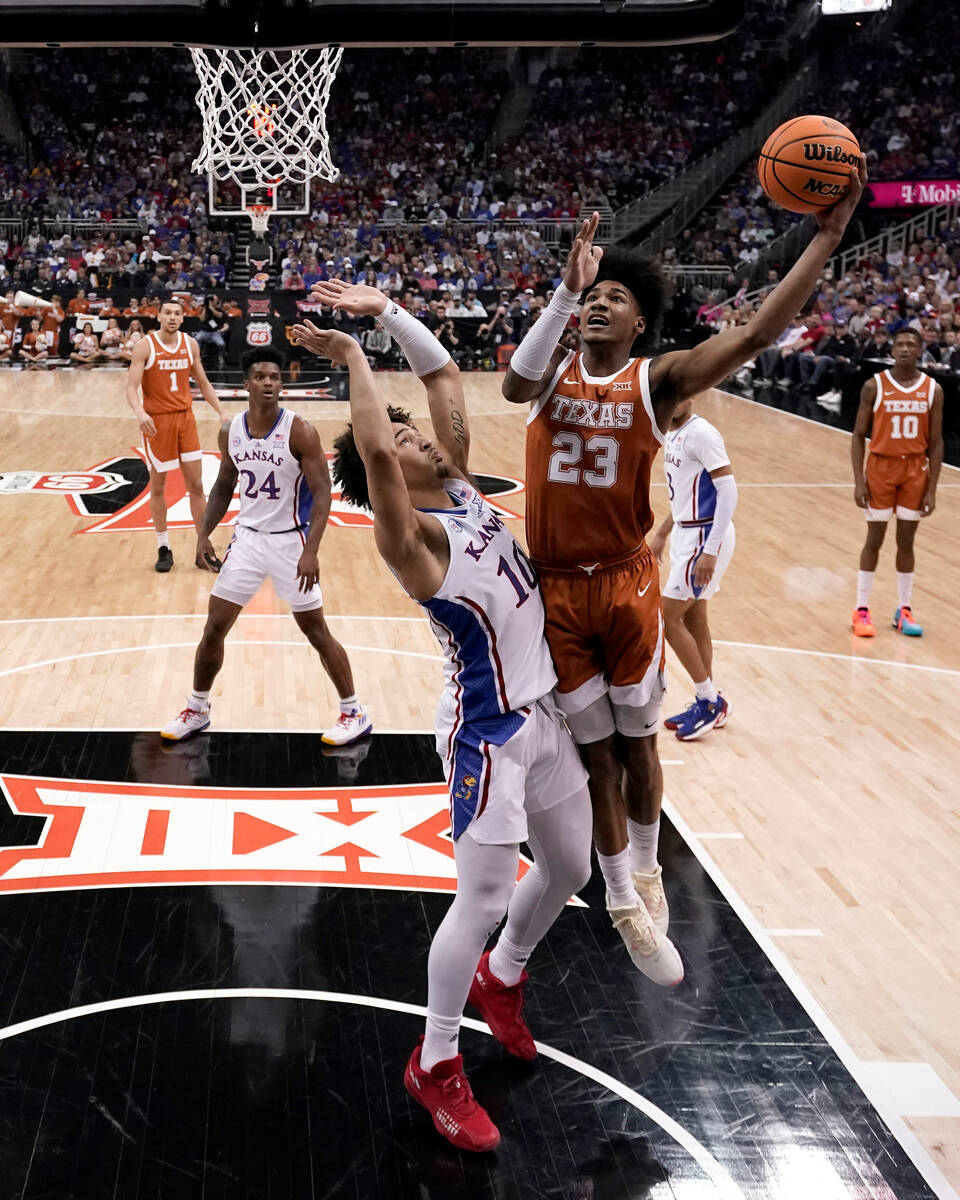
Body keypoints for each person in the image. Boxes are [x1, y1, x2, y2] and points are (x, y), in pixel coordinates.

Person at [501, 166, 865, 980]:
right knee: (596, 754)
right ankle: (624, 898)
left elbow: (754, 338)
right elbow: (512, 382)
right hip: (555, 588)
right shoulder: (548, 373)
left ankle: (648, 865)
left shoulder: (655, 382)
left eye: (616, 300)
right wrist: (564, 292)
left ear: (641, 325)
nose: (600, 304)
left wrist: (828, 238)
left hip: (625, 583)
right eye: (595, 297)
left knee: (638, 747)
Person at [291, 284, 595, 1154]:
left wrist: (383, 312)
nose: (423, 436)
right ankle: (435, 1062)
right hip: (485, 732)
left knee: (570, 867)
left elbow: (445, 377)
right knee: (483, 895)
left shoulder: (460, 486)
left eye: (420, 433)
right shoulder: (411, 538)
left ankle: (505, 978)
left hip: (542, 717)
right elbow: (379, 460)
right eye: (406, 437)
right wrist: (351, 358)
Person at [161, 346, 371, 747]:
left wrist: (311, 550)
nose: (270, 383)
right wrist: (204, 534)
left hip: (292, 543)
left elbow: (323, 493)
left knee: (315, 630)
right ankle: (197, 707)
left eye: (275, 377)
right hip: (247, 541)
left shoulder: (300, 430)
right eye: (261, 377)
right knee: (214, 628)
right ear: (247, 384)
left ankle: (353, 711)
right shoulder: (231, 430)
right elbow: (224, 485)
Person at [649, 398, 737, 739]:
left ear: (692, 395)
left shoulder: (702, 433)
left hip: (705, 535)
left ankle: (709, 701)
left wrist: (710, 550)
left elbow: (728, 492)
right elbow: (683, 495)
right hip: (687, 532)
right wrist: (662, 533)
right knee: (695, 617)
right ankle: (711, 700)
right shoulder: (673, 433)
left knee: (667, 617)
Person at [851, 327, 943, 637]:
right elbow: (857, 436)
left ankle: (904, 610)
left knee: (906, 542)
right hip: (880, 468)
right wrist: (858, 481)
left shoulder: (933, 389)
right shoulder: (873, 385)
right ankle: (861, 610)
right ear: (892, 350)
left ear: (920, 351)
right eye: (900, 344)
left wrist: (932, 487)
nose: (905, 349)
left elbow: (937, 442)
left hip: (915, 470)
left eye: (911, 344)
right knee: (874, 541)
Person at [125, 298, 225, 573]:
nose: (172, 317)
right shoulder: (146, 345)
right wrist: (140, 413)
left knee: (197, 486)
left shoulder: (189, 344)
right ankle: (163, 546)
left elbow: (203, 383)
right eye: (167, 313)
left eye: (177, 313)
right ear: (158, 316)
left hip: (185, 420)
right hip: (157, 422)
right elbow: (132, 387)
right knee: (158, 487)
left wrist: (221, 412)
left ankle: (204, 548)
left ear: (183, 318)